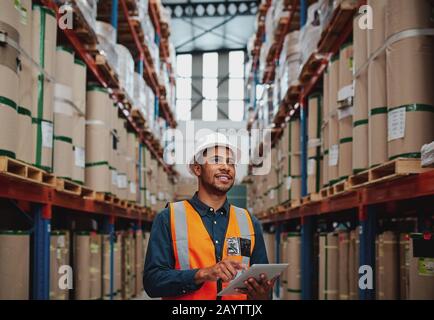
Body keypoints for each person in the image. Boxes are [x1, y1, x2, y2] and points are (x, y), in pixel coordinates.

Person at [143, 132, 274, 300]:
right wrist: (202, 274)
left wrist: (262, 293)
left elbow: (262, 286)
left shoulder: (248, 222)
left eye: (231, 163)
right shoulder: (169, 218)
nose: (226, 167)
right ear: (197, 168)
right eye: (216, 160)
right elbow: (152, 282)